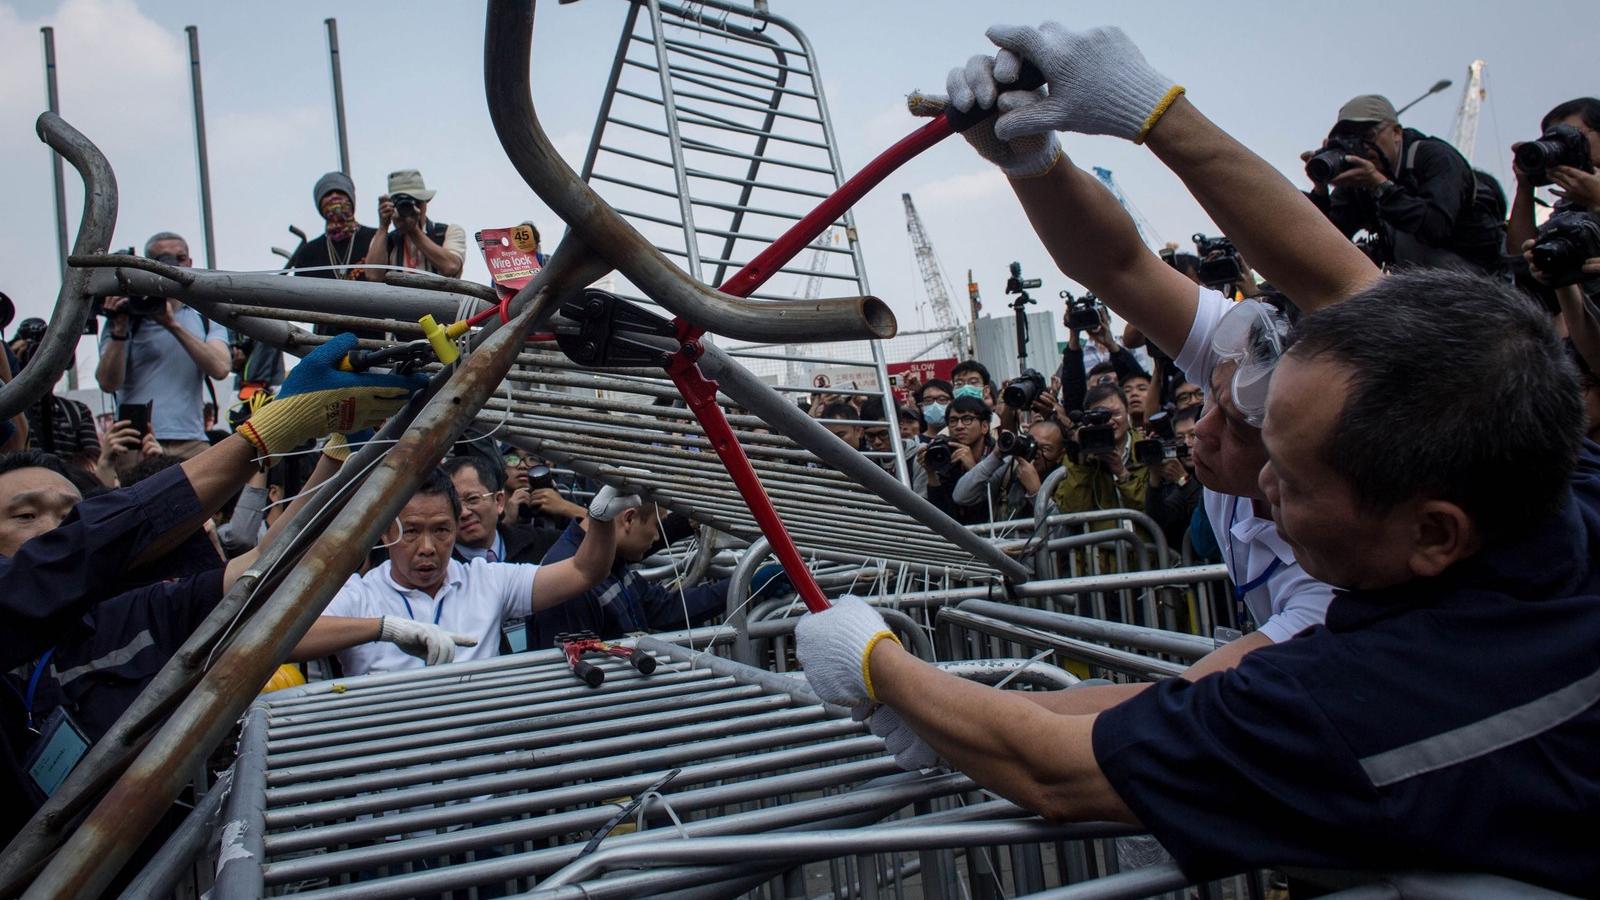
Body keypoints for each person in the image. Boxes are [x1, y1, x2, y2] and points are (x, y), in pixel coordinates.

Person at [799, 22, 1600, 893]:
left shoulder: (1377, 692)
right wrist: (1101, 137)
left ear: (1434, 533)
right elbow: (1302, 284)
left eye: (1288, 476)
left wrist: (886, 669)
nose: (1254, 477)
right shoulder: (1533, 469)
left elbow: (1073, 767)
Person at [1, 332, 419, 837]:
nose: (54, 531)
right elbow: (83, 552)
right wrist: (262, 435)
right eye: (25, 515)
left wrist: (337, 454)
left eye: (71, 515)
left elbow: (264, 562)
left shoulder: (122, 620)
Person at [297, 470, 631, 676]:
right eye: (411, 531)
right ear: (386, 533)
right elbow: (289, 640)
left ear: (457, 527)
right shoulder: (360, 594)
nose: (427, 547)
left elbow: (583, 571)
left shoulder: (486, 580)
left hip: (485, 775)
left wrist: (600, 519)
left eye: (441, 530)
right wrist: (384, 629)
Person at [1305, 94, 1505, 274]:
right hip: (1415, 280)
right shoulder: (1360, 179)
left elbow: (1435, 226)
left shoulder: (1435, 158)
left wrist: (1380, 186)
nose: (1363, 147)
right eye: (1350, 140)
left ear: (1396, 133)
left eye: (1368, 136)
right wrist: (1320, 191)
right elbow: (1329, 240)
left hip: (1474, 274)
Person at [94, 232, 231, 468]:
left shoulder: (206, 315)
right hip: (134, 439)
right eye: (162, 260)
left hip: (191, 440)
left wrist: (172, 325)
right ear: (147, 266)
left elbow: (220, 368)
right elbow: (108, 383)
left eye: (179, 258)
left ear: (189, 263)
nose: (172, 266)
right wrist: (120, 328)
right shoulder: (125, 315)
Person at [528, 492, 727, 650]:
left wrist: (743, 585)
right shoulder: (569, 584)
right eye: (657, 526)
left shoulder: (609, 561)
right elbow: (578, 675)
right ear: (629, 519)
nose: (658, 537)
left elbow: (663, 609)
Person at [289, 170, 382, 341]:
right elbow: (301, 305)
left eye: (340, 192)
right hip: (327, 339)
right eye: (328, 194)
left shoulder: (376, 238)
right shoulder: (309, 252)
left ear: (351, 199)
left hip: (374, 337)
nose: (334, 197)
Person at [8, 318, 99, 471]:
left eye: (50, 357)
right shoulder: (10, 411)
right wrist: (9, 369)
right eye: (34, 355)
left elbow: (93, 463)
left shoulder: (77, 412)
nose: (43, 366)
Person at [443, 454, 564, 565]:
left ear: (498, 501)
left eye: (472, 499)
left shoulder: (539, 542)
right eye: (454, 505)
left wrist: (566, 508)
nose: (464, 513)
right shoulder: (438, 567)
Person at [953, 414, 1066, 520]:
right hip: (1001, 539)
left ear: (1060, 454)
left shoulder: (1065, 479)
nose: (1035, 452)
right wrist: (995, 456)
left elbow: (1062, 534)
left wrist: (1036, 492)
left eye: (1045, 449)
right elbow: (961, 496)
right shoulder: (1009, 468)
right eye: (1031, 444)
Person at [362, 169, 466, 281]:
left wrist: (413, 231)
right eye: (403, 205)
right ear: (392, 206)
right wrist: (383, 226)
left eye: (417, 202)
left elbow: (451, 267)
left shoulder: (449, 231)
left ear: (426, 202)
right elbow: (372, 276)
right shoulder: (384, 240)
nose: (411, 209)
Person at [923, 395, 993, 524]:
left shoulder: (997, 456)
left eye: (967, 419)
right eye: (953, 421)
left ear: (984, 426)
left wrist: (973, 469)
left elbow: (992, 509)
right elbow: (942, 518)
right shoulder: (947, 455)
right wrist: (931, 473)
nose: (959, 426)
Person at [1142, 405, 1202, 548]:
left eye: (1193, 435)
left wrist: (1183, 480)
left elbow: (1208, 516)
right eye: (1180, 438)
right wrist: (1155, 475)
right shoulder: (1175, 479)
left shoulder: (1217, 472)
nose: (1187, 443)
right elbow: (1158, 523)